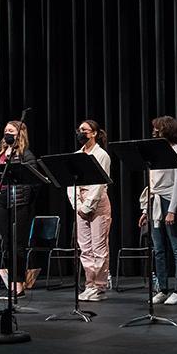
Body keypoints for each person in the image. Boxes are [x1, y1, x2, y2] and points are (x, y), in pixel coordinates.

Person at [138, 116, 177, 305]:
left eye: (158, 128)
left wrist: (173, 209)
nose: (154, 131)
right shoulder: (156, 151)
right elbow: (151, 183)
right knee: (158, 249)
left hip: (170, 201)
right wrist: (145, 210)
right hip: (155, 202)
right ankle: (162, 288)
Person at [0, 120, 38, 298]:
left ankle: (19, 282)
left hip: (19, 201)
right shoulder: (0, 153)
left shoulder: (26, 154)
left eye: (11, 131)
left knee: (17, 244)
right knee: (6, 243)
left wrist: (26, 199)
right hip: (1, 200)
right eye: (5, 131)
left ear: (20, 134)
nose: (7, 133)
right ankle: (10, 281)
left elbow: (34, 180)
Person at [70, 119, 112, 302]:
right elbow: (70, 182)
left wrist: (87, 206)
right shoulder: (77, 155)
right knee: (85, 247)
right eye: (79, 129)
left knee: (99, 247)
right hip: (80, 203)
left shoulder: (101, 155)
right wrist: (78, 206)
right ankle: (89, 284)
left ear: (94, 133)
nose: (81, 132)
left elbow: (100, 183)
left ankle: (100, 286)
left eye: (84, 130)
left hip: (97, 203)